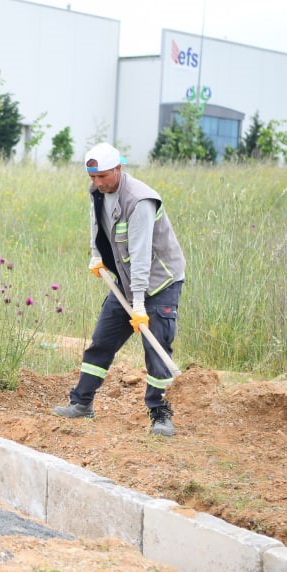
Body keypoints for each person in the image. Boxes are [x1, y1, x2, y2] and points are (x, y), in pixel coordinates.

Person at [52, 142, 185, 436]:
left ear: (118, 169)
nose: (98, 184)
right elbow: (96, 222)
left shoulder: (139, 201)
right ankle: (82, 403)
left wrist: (138, 304)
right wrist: (96, 254)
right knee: (102, 339)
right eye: (92, 178)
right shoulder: (98, 193)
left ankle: (160, 414)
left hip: (158, 282)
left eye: (103, 177)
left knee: (156, 348)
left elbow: (140, 255)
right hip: (126, 281)